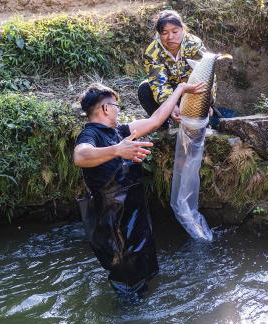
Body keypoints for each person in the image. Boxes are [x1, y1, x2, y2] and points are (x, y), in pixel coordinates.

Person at [73, 81, 205, 294]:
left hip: (137, 224)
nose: (118, 112)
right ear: (106, 108)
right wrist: (117, 150)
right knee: (128, 289)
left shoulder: (120, 131)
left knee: (145, 279)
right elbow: (80, 156)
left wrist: (180, 90)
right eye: (117, 107)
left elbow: (155, 120)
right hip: (116, 230)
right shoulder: (91, 135)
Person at [138, 10, 213, 129]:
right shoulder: (153, 52)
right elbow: (159, 84)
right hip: (171, 94)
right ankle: (163, 128)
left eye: (175, 31)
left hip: (192, 92)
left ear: (182, 29)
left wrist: (206, 102)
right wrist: (171, 106)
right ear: (159, 33)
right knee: (144, 89)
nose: (170, 37)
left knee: (201, 127)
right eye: (165, 33)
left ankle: (203, 121)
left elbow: (206, 76)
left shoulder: (194, 44)